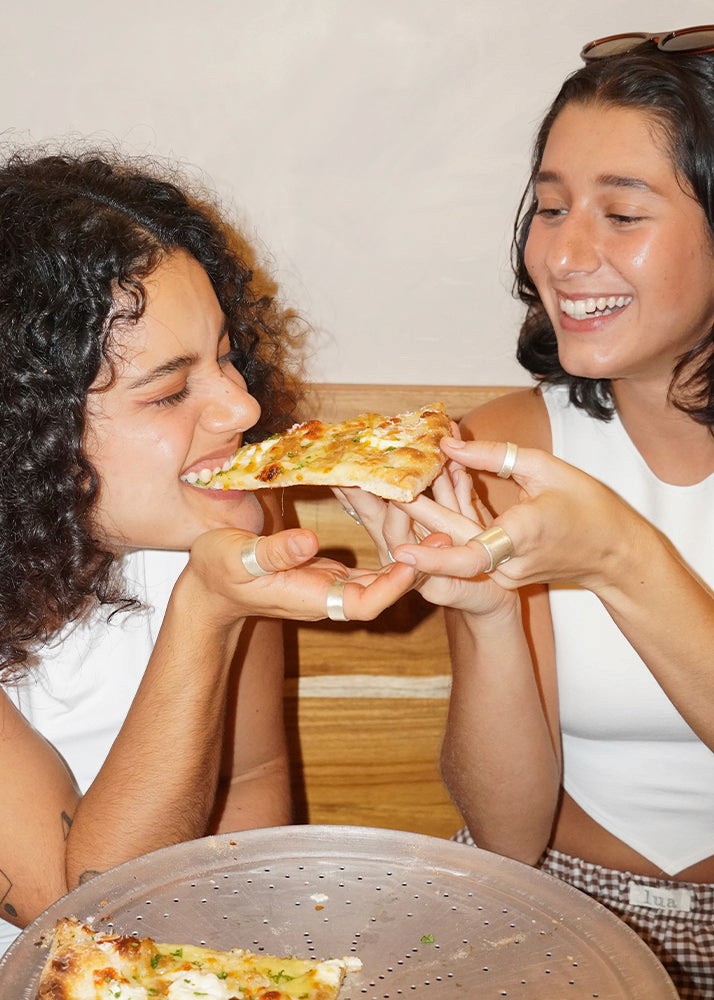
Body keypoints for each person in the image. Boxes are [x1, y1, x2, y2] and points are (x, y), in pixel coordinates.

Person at [338, 27, 714, 998]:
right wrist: (491, 613)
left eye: (622, 212)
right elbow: (506, 832)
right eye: (550, 207)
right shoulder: (510, 446)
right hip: (559, 899)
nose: (567, 251)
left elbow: (625, 558)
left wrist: (623, 558)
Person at [0, 147, 420, 956]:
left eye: (226, 355)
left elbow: (252, 780)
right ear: (27, 432)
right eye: (168, 390)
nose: (242, 404)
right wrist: (210, 612)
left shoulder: (230, 523)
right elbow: (78, 923)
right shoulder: (220, 565)